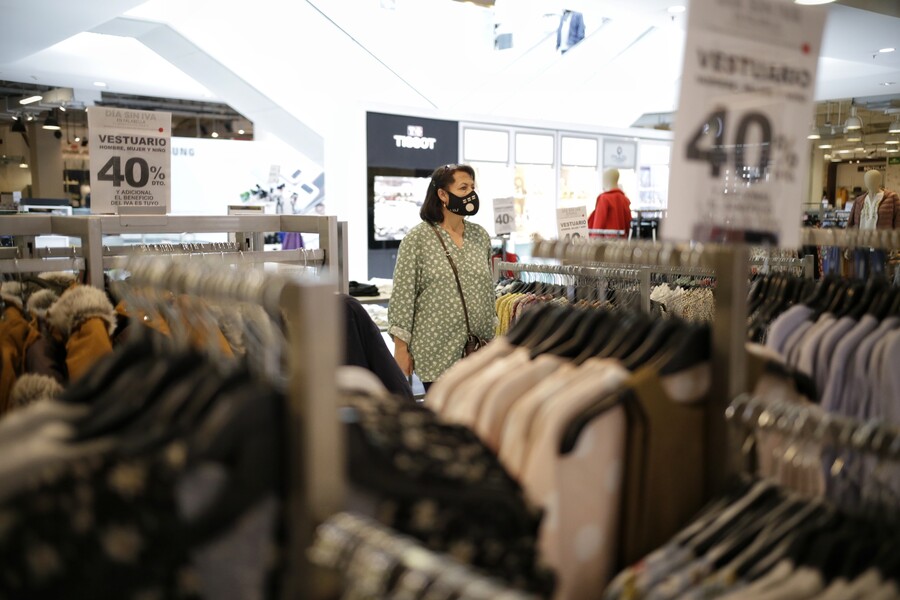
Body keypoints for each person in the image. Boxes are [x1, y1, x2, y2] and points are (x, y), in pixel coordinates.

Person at [388, 164, 495, 392]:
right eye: (463, 187)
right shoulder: (418, 239)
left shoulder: (480, 236)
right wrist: (400, 349)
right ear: (443, 194)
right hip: (437, 353)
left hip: (479, 351)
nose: (471, 194)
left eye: (472, 187)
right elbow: (403, 297)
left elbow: (488, 292)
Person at [588, 168, 632, 237]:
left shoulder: (604, 198)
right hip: (622, 242)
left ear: (606, 180)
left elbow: (598, 226)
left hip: (606, 244)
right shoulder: (624, 199)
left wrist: (593, 242)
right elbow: (628, 223)